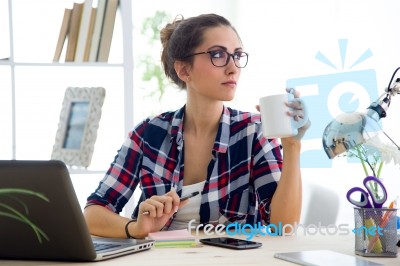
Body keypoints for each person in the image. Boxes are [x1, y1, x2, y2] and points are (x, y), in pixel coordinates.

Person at [84, 13, 310, 239]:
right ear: (184, 70)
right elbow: (93, 213)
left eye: (237, 55)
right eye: (218, 55)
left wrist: (291, 145)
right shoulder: (148, 135)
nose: (233, 68)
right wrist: (135, 228)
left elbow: (283, 226)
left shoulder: (254, 132)